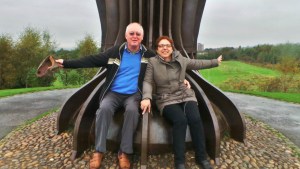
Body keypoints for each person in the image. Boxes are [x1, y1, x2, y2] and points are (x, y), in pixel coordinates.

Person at [55, 22, 153, 169]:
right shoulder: (115, 52)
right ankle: (99, 150)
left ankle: (124, 152)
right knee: (104, 110)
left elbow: (166, 66)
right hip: (113, 92)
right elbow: (91, 60)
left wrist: (182, 78)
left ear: (142, 37)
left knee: (133, 111)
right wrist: (67, 63)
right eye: (131, 33)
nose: (134, 36)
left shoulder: (148, 55)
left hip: (133, 94)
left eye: (138, 34)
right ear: (126, 36)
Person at [140, 36, 222, 169]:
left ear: (172, 48)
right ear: (157, 49)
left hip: (184, 94)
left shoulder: (181, 59)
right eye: (161, 46)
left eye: (167, 45)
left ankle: (201, 157)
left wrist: (215, 62)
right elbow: (148, 81)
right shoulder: (153, 62)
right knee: (180, 120)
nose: (165, 48)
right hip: (165, 98)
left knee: (195, 119)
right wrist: (146, 97)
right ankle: (179, 162)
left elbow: (197, 64)